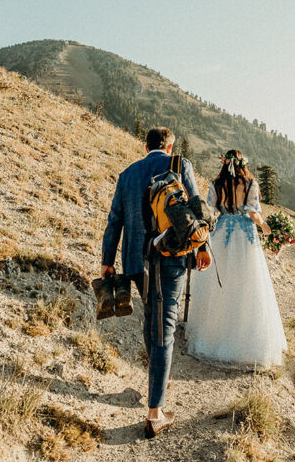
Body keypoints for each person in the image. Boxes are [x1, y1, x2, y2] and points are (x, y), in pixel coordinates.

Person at [100, 127, 210, 439]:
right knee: (165, 327)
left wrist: (108, 260)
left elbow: (115, 220)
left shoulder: (128, 174)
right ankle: (155, 413)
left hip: (135, 261)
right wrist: (202, 248)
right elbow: (196, 212)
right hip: (168, 258)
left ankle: (158, 378)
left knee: (152, 318)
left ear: (145, 145)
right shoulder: (179, 165)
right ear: (169, 145)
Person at [186, 149, 287, 369]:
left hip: (221, 234)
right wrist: (265, 227)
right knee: (246, 284)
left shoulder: (216, 184)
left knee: (219, 284)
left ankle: (213, 335)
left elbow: (210, 211)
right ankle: (246, 340)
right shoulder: (251, 184)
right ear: (243, 164)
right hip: (245, 236)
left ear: (224, 163)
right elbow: (253, 213)